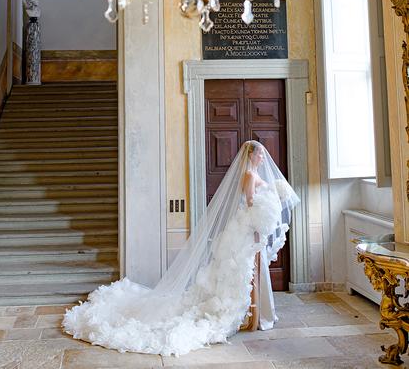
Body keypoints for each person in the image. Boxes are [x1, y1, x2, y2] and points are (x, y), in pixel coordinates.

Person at [63, 140, 299, 356]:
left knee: (250, 273)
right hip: (246, 230)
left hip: (249, 231)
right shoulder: (248, 175)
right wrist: (264, 213)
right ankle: (248, 315)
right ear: (252, 155)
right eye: (260, 154)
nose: (263, 158)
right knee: (241, 272)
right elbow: (249, 204)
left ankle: (255, 315)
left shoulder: (254, 173)